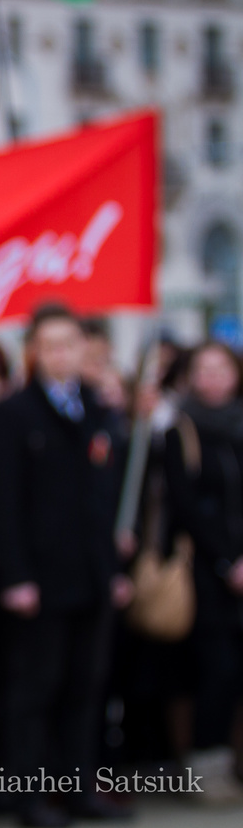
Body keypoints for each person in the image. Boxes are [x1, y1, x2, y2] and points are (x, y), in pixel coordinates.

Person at [0, 304, 131, 827]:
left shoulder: (96, 408)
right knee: (34, 690)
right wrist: (17, 576)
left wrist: (113, 567)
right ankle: (27, 794)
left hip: (91, 575)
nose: (63, 354)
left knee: (85, 687)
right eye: (51, 344)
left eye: (71, 343)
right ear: (34, 351)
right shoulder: (13, 414)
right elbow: (4, 502)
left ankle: (77, 789)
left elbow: (105, 494)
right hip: (39, 580)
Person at [163, 342, 243, 802]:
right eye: (203, 369)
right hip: (207, 572)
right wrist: (227, 561)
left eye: (222, 368)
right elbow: (185, 505)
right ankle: (207, 766)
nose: (213, 378)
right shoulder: (180, 430)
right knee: (217, 668)